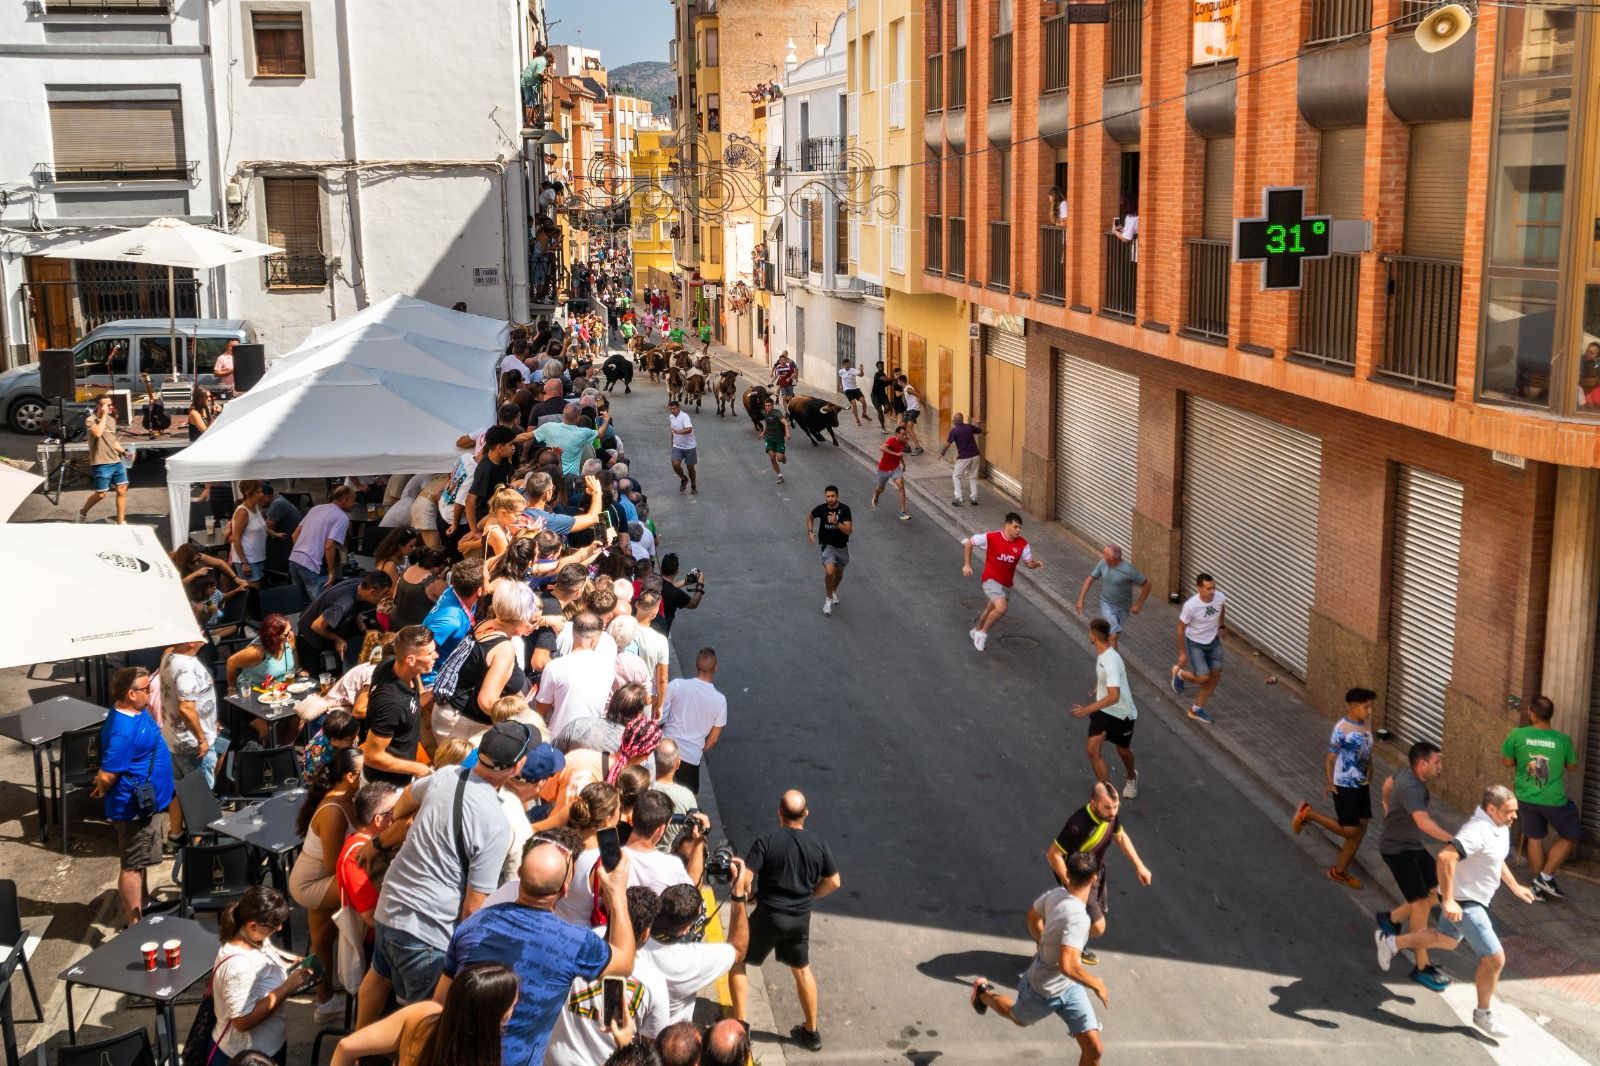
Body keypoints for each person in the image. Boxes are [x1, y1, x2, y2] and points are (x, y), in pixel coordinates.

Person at [356, 722, 528, 1024]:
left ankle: (356, 1050)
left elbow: (407, 798)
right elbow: (474, 907)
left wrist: (385, 836)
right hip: (427, 931)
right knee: (422, 1022)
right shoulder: (496, 824)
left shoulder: (445, 775)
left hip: (390, 906)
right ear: (517, 767)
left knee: (378, 977)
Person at [442, 835, 637, 1066]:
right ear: (564, 889)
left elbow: (440, 1001)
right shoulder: (574, 942)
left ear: (520, 874)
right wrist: (617, 894)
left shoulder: (473, 924)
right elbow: (624, 962)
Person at [1374, 785, 1537, 1039]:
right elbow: (1445, 857)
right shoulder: (1478, 830)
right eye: (1510, 812)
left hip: (1470, 898)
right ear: (1492, 809)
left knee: (1446, 940)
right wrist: (1448, 900)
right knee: (1495, 958)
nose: (1515, 817)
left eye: (1516, 811)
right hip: (1466, 902)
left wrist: (1515, 886)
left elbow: (1496, 858)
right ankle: (1483, 1015)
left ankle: (1391, 942)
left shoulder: (1499, 827)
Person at [970, 851, 1106, 1066]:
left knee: (1094, 1049)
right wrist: (1097, 984)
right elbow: (1068, 965)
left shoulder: (1056, 894)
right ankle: (983, 994)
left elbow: (1032, 917)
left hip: (1071, 989)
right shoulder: (1079, 919)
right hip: (1042, 990)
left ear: (1067, 875)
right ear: (1094, 878)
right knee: (1017, 1017)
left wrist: (1044, 942)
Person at [729, 791, 840, 1051]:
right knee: (802, 970)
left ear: (779, 812)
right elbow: (834, 881)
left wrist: (747, 895)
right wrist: (811, 894)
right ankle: (811, 1032)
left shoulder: (767, 841)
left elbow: (746, 875)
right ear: (806, 814)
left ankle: (740, 1025)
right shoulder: (818, 844)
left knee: (737, 960)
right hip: (799, 919)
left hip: (769, 915)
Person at [92, 666, 173, 925]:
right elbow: (106, 775)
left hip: (148, 804)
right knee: (132, 866)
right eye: (146, 689)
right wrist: (101, 786)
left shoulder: (136, 711)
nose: (150, 693)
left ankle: (145, 902)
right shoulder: (122, 731)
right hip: (132, 808)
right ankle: (135, 923)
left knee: (141, 860)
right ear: (130, 693)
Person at [1374, 741, 1455, 993]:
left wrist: (1386, 805)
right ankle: (1421, 967)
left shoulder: (1405, 774)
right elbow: (1423, 823)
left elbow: (1387, 783)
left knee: (1439, 892)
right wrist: (1454, 841)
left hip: (1412, 846)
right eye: (1437, 762)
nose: (1440, 766)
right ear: (1422, 764)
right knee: (1421, 904)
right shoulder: (1412, 788)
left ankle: (1391, 918)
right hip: (1397, 850)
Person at [289, 747, 362, 1019]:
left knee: (321, 941)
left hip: (320, 878)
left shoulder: (349, 798)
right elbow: (335, 867)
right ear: (351, 776)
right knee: (371, 894)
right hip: (313, 884)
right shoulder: (333, 811)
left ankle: (324, 1003)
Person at [333, 961, 518, 1066]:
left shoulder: (423, 1016)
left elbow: (345, 1047)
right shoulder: (482, 1056)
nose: (513, 1010)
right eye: (512, 1006)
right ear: (497, 1015)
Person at [1044, 782, 1151, 963]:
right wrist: (1072, 886)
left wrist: (1139, 865)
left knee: (1097, 912)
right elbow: (1053, 854)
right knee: (1098, 926)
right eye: (1107, 807)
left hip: (1095, 872)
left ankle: (1072, 940)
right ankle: (1060, 944)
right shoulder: (1077, 826)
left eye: (1116, 807)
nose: (1113, 812)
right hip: (1078, 878)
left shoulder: (1111, 817)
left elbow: (1120, 837)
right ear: (1093, 804)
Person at [212, 886, 315, 1063]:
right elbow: (241, 1021)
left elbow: (266, 955)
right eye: (274, 926)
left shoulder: (253, 936)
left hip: (269, 1045)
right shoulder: (238, 967)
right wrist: (288, 986)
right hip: (249, 1056)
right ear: (253, 925)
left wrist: (289, 963)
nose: (279, 927)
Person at [1292, 687, 1377, 889]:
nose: (1370, 711)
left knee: (1362, 827)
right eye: (1367, 707)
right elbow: (1330, 759)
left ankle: (1339, 871)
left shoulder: (1366, 723)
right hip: (1344, 783)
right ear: (1354, 707)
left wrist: (1370, 771)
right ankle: (1308, 813)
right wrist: (1330, 783)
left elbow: (1367, 750)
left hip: (1361, 783)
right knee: (1349, 830)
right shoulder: (1342, 729)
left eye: (1370, 707)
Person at [432, 583, 537, 744]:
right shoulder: (504, 648)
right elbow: (487, 701)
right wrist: (517, 719)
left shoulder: (485, 624)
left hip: (450, 714)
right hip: (461, 726)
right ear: (521, 618)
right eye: (530, 618)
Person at [1501, 694, 1580, 900]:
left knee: (1534, 839)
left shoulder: (1517, 735)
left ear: (1532, 714)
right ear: (1550, 715)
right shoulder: (1563, 740)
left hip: (1525, 797)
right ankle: (1543, 879)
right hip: (1554, 800)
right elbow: (1572, 766)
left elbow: (1507, 762)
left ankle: (1539, 885)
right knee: (1571, 834)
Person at [646, 875, 752, 1025]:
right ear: (686, 929)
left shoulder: (632, 937)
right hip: (672, 1037)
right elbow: (738, 950)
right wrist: (738, 894)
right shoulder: (692, 960)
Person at [361, 625, 439, 788]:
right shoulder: (392, 703)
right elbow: (372, 756)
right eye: (430, 653)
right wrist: (418, 768)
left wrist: (422, 692)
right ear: (410, 660)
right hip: (386, 787)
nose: (436, 656)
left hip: (402, 777)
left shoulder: (390, 664)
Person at [1070, 620, 1139, 798]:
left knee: (1123, 751)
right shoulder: (1103, 654)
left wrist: (1087, 709)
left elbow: (1114, 696)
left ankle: (1132, 777)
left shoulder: (1110, 660)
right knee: (1092, 750)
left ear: (1092, 635)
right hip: (1104, 711)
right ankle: (1107, 793)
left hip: (1122, 714)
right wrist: (1099, 685)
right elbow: (1108, 680)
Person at [962, 512, 1042, 651]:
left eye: (1020, 527)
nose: (1018, 530)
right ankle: (982, 634)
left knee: (990, 610)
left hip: (1006, 584)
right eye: (1015, 526)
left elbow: (1028, 563)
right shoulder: (992, 537)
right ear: (1006, 525)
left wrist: (1036, 564)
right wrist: (967, 564)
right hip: (990, 580)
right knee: (1001, 608)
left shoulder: (1023, 544)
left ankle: (976, 630)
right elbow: (970, 543)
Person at [537, 612, 619, 739]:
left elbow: (540, 710)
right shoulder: (608, 669)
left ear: (573, 633)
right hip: (590, 740)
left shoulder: (554, 667)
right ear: (594, 640)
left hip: (557, 739)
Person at [660, 649, 726, 796]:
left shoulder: (677, 685)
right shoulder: (720, 701)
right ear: (715, 668)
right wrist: (697, 749)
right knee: (689, 801)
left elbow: (660, 713)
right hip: (691, 758)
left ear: (696, 665)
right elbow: (713, 738)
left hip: (665, 748)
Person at [297, 571, 391, 672]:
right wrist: (337, 639)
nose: (384, 598)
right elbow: (316, 626)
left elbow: (354, 611)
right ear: (373, 592)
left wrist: (364, 631)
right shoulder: (344, 602)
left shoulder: (359, 585)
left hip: (330, 627)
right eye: (384, 594)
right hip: (310, 639)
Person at [337, 782, 399, 934]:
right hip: (379, 943)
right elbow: (371, 917)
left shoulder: (376, 843)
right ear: (378, 820)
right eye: (395, 812)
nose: (400, 816)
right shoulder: (356, 856)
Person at [1171, 572, 1226, 724]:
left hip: (1214, 642)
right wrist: (1182, 653)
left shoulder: (1220, 597)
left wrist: (1221, 626)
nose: (1212, 591)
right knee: (1203, 678)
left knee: (1215, 676)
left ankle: (1196, 709)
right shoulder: (1191, 606)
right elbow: (1180, 629)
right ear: (1199, 589)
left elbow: (1222, 608)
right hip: (1196, 644)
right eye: (1208, 589)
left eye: (1213, 587)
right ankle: (1180, 674)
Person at [1074, 545, 1149, 648]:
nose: (1102, 556)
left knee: (1114, 636)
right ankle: (1110, 661)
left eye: (1105, 555)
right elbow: (1090, 580)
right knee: (1113, 635)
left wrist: (1139, 605)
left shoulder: (1129, 570)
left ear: (1112, 559)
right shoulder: (1102, 563)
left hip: (1124, 607)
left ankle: (1111, 656)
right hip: (1107, 604)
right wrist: (1080, 600)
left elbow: (1147, 585)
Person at [422, 559, 484, 683]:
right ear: (479, 591)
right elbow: (419, 651)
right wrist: (424, 690)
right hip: (434, 682)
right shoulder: (450, 621)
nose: (490, 581)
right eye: (488, 580)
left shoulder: (457, 589)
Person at [289, 487, 357, 600]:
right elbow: (329, 545)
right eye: (353, 500)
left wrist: (302, 553)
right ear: (345, 500)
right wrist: (331, 573)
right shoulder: (342, 517)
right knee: (321, 606)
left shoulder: (316, 508)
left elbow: (294, 535)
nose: (355, 503)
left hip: (294, 559)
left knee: (298, 604)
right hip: (310, 565)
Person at [78, 393, 134, 524]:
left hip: (116, 461)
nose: (110, 407)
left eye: (110, 404)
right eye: (107, 405)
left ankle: (120, 522)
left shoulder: (111, 420)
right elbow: (97, 433)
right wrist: (103, 416)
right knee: (101, 493)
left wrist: (124, 452)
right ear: (99, 406)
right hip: (101, 463)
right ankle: (82, 512)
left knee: (122, 489)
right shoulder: (90, 420)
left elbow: (112, 441)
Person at [807, 486, 853, 615]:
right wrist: (810, 531)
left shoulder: (844, 510)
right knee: (830, 571)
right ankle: (828, 599)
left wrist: (836, 522)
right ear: (825, 496)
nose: (830, 499)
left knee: (839, 574)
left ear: (837, 496)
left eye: (832, 496)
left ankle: (833, 591)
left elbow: (849, 530)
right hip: (827, 546)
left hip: (842, 547)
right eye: (828, 496)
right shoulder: (821, 509)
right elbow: (810, 517)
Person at [228, 480, 271, 584]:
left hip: (257, 556)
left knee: (257, 589)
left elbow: (261, 526)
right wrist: (244, 563)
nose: (261, 494)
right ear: (248, 493)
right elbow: (235, 538)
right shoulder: (243, 512)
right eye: (258, 492)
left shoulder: (256, 507)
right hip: (248, 559)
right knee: (252, 592)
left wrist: (274, 534)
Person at [653, 556, 704, 635]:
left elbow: (668, 585)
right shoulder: (676, 594)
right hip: (661, 630)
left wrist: (685, 581)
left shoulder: (653, 579)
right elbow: (693, 604)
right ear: (677, 571)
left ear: (661, 569)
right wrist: (700, 584)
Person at [940, 413, 983, 506]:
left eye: (953, 419)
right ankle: (974, 498)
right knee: (973, 477)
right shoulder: (969, 427)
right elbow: (979, 430)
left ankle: (959, 497)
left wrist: (942, 454)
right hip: (976, 455)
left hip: (964, 457)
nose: (952, 420)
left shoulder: (954, 431)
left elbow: (947, 445)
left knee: (956, 476)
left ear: (955, 420)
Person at [870, 425, 911, 521]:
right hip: (883, 469)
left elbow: (899, 453)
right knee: (881, 489)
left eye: (905, 434)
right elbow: (882, 448)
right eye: (903, 435)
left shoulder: (903, 443)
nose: (905, 437)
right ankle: (876, 495)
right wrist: (896, 454)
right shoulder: (892, 440)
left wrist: (903, 464)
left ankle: (903, 512)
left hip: (895, 468)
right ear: (897, 434)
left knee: (900, 486)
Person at [667, 400, 698, 494]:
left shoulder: (685, 417)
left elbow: (689, 429)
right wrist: (672, 443)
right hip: (678, 446)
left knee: (690, 468)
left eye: (674, 408)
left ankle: (693, 485)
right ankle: (684, 479)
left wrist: (679, 432)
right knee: (675, 464)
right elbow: (673, 431)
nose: (672, 411)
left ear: (679, 407)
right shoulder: (671, 417)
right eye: (671, 409)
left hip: (689, 447)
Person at [761, 397, 791, 484]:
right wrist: (763, 433)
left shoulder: (777, 413)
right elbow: (767, 423)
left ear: (773, 406)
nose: (767, 407)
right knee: (772, 457)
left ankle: (783, 457)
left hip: (779, 439)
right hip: (769, 439)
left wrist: (787, 433)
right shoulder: (765, 413)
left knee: (780, 458)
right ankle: (780, 476)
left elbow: (785, 422)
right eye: (766, 406)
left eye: (769, 405)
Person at [896, 375, 925, 454]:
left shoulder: (908, 389)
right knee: (902, 427)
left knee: (909, 429)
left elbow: (918, 395)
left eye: (898, 381)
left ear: (901, 381)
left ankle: (918, 448)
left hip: (914, 410)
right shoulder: (905, 389)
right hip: (909, 410)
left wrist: (923, 405)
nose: (898, 383)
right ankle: (907, 446)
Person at [837, 358, 867, 426]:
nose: (848, 365)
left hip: (855, 389)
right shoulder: (841, 371)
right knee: (853, 403)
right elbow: (839, 378)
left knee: (863, 401)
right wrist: (840, 385)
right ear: (843, 365)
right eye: (846, 364)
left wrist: (861, 370)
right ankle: (857, 420)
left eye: (848, 364)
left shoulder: (853, 370)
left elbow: (861, 375)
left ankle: (864, 414)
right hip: (847, 390)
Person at [869, 361, 893, 433]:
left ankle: (883, 416)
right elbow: (885, 379)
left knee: (888, 408)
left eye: (882, 366)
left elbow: (886, 383)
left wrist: (892, 382)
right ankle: (883, 427)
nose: (881, 368)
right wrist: (893, 378)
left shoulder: (884, 374)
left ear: (884, 366)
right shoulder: (877, 374)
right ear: (877, 367)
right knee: (879, 411)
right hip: (875, 396)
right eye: (879, 366)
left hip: (883, 395)